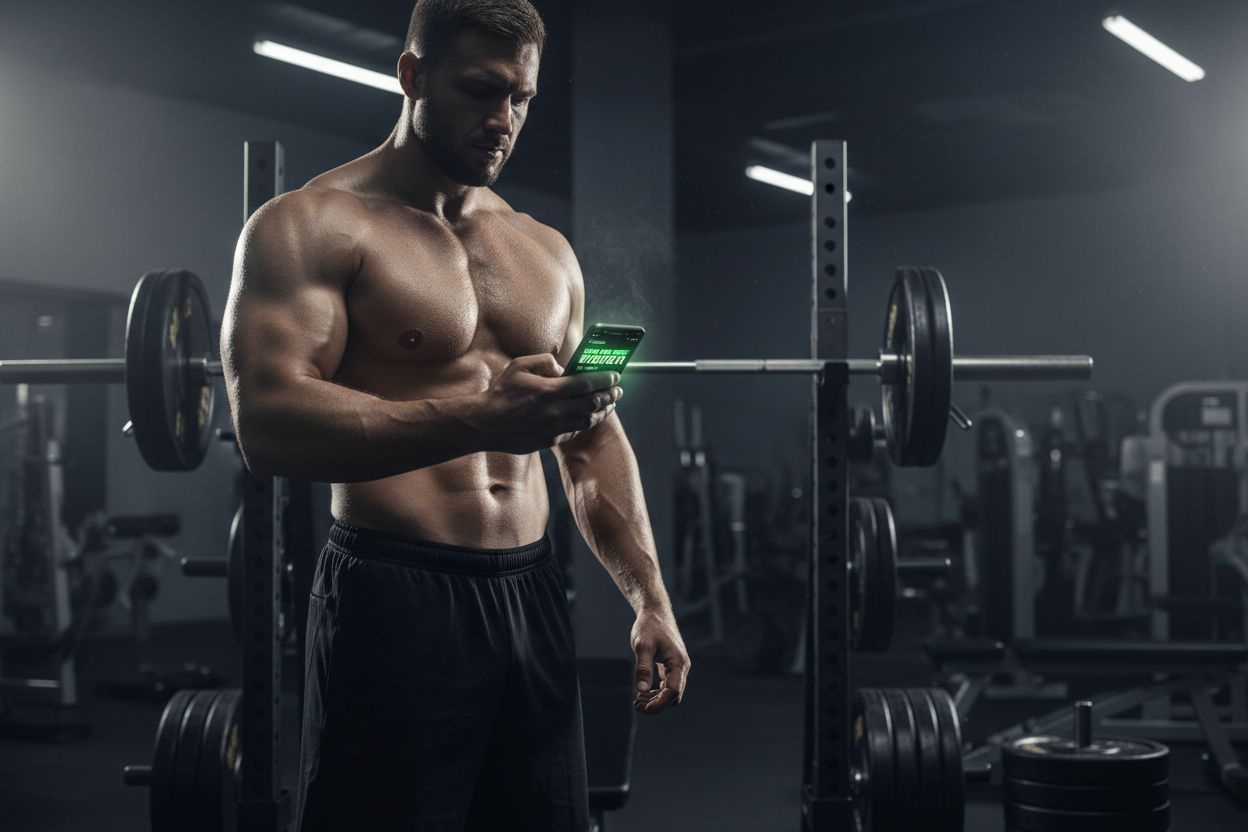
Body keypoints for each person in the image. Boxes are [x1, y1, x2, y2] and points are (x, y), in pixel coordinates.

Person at [220, 0, 690, 829]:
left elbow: (590, 438)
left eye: (522, 98)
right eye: (480, 90)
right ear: (412, 76)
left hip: (531, 593)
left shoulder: (545, 251)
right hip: (395, 593)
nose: (503, 120)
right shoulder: (313, 224)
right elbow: (269, 423)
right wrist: (478, 418)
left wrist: (649, 596)